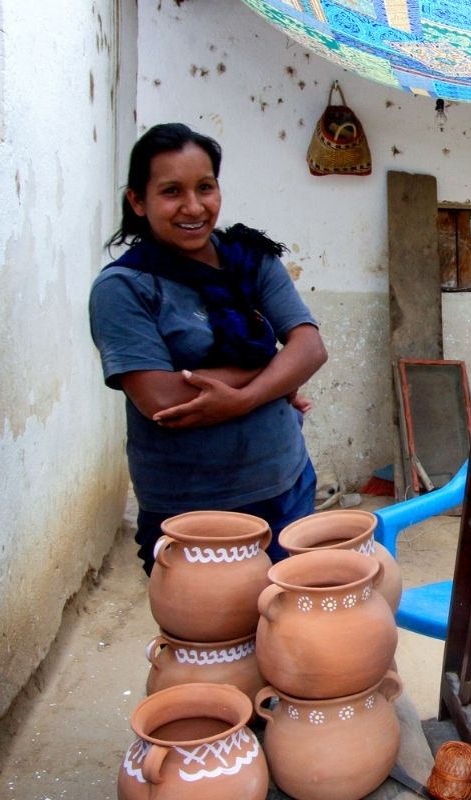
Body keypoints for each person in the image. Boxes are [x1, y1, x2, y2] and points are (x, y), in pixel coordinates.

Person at [90, 123, 328, 575]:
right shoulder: (123, 288)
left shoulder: (250, 258)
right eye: (171, 192)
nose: (194, 207)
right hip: (188, 507)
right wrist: (272, 368)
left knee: (289, 613)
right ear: (138, 201)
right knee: (208, 619)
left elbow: (311, 348)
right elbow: (162, 399)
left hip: (285, 482)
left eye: (205, 187)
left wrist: (242, 398)